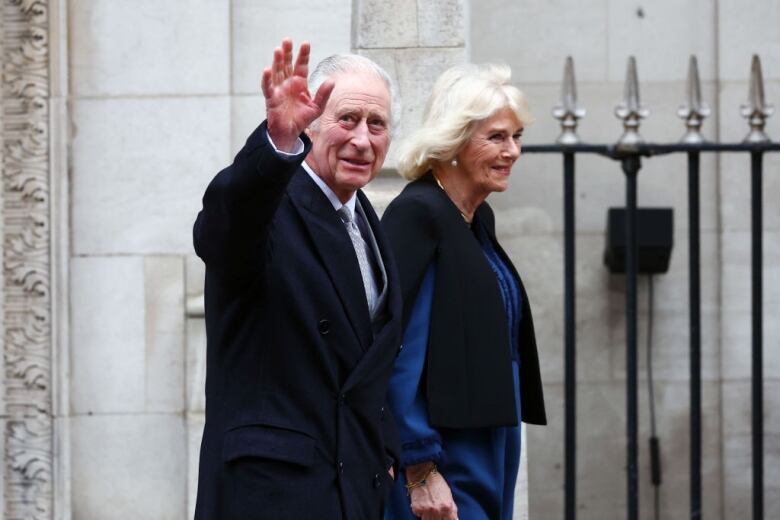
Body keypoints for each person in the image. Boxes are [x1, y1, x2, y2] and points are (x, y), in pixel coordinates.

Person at [193, 38, 404, 519]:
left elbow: (368, 371)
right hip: (272, 496)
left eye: (378, 124)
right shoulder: (271, 204)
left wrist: (387, 452)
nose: (362, 139)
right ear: (312, 122)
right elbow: (224, 228)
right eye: (346, 119)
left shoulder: (366, 219)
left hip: (352, 493)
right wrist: (277, 144)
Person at [381, 64, 547, 520]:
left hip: (489, 438)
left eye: (516, 137)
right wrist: (420, 466)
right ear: (453, 140)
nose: (512, 151)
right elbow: (398, 355)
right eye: (497, 137)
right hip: (447, 452)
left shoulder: (475, 219)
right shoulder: (418, 215)